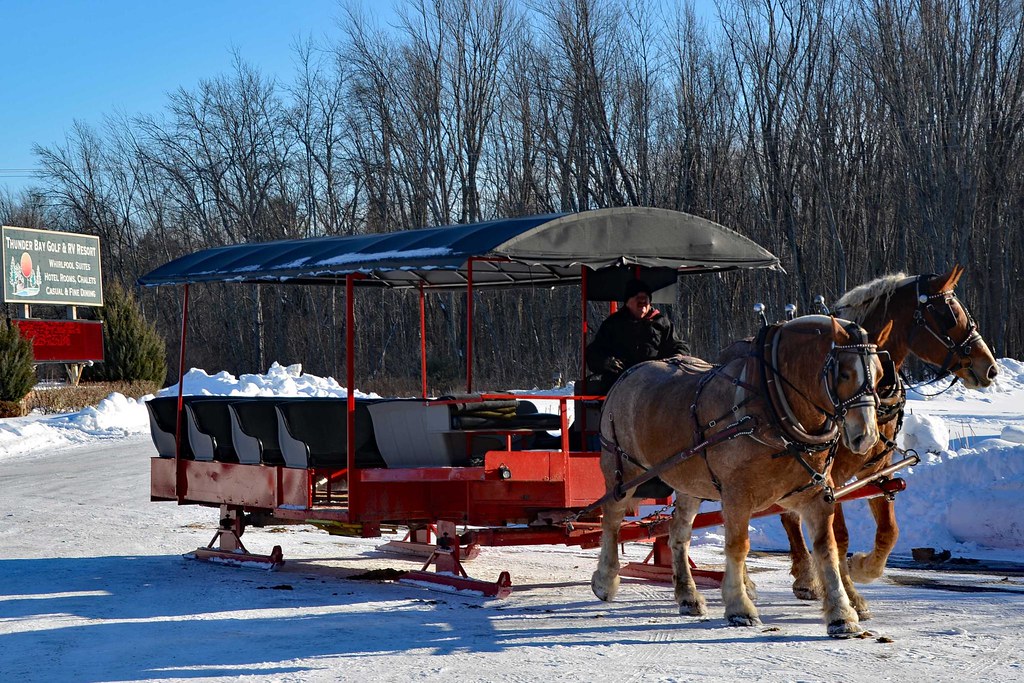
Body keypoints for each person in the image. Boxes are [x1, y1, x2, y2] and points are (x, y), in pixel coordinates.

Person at [584, 278, 690, 394]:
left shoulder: (662, 323)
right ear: (627, 302)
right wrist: (607, 362)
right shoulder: (612, 324)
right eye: (637, 298)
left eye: (645, 298)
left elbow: (679, 346)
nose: (642, 300)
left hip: (655, 386)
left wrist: (676, 357)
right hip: (619, 387)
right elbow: (593, 354)